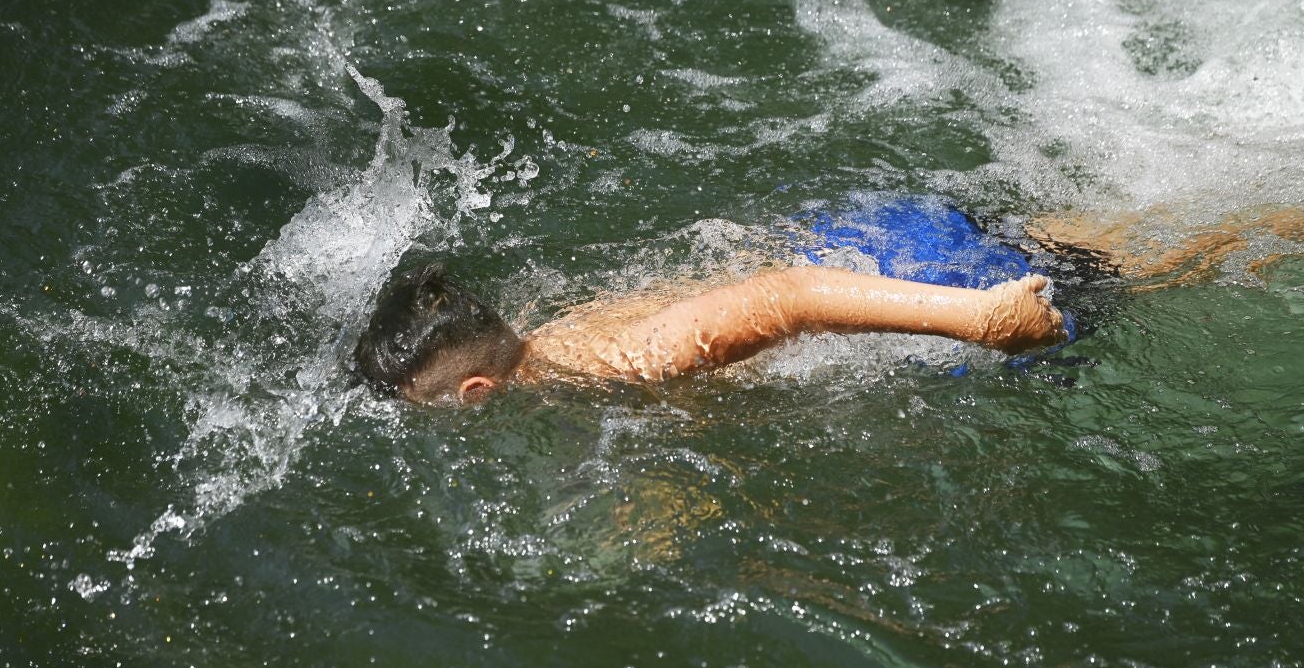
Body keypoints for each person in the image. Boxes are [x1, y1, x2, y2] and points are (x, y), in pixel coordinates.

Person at [354, 196, 1070, 404]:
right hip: (866, 241)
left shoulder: (621, 360)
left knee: (1125, 256)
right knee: (1086, 226)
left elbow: (791, 297)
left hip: (916, 274)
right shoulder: (552, 345)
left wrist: (980, 319)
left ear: (476, 392)